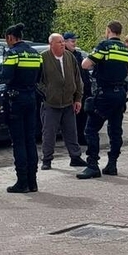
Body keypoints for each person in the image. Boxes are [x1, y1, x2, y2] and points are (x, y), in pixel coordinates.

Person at [78, 21, 128, 179]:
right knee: (115, 130)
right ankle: (112, 164)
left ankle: (92, 165)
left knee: (91, 129)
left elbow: (85, 64)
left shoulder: (104, 46)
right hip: (120, 95)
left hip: (104, 94)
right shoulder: (126, 50)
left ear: (109, 30)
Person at [0, 24, 43, 193]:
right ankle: (33, 181)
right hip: (31, 98)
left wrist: (2, 68)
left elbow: (5, 77)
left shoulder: (12, 54)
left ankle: (22, 182)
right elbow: (39, 76)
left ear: (10, 37)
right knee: (30, 140)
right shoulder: (35, 53)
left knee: (18, 141)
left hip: (15, 100)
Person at [38, 33, 85, 170]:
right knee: (49, 133)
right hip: (51, 103)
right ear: (51, 44)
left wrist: (78, 98)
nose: (62, 44)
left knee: (71, 131)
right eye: (59, 42)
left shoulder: (70, 57)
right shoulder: (43, 58)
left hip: (68, 102)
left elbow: (78, 79)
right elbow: (38, 81)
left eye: (63, 42)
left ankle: (75, 157)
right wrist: (47, 93)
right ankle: (47, 159)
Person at [65, 32, 92, 143]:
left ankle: (81, 137)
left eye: (75, 40)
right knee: (73, 117)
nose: (75, 43)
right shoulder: (64, 55)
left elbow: (84, 72)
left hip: (83, 89)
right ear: (65, 42)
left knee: (83, 115)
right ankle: (73, 139)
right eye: (72, 41)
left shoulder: (78, 55)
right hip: (72, 91)